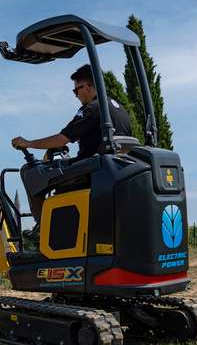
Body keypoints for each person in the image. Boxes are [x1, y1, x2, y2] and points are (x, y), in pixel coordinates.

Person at [11, 64, 132, 227]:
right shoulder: (119, 109)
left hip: (90, 170)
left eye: (77, 90)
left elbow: (62, 139)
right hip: (110, 170)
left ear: (88, 87)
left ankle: (44, 227)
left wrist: (28, 143)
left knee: (30, 172)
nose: (76, 95)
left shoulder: (91, 108)